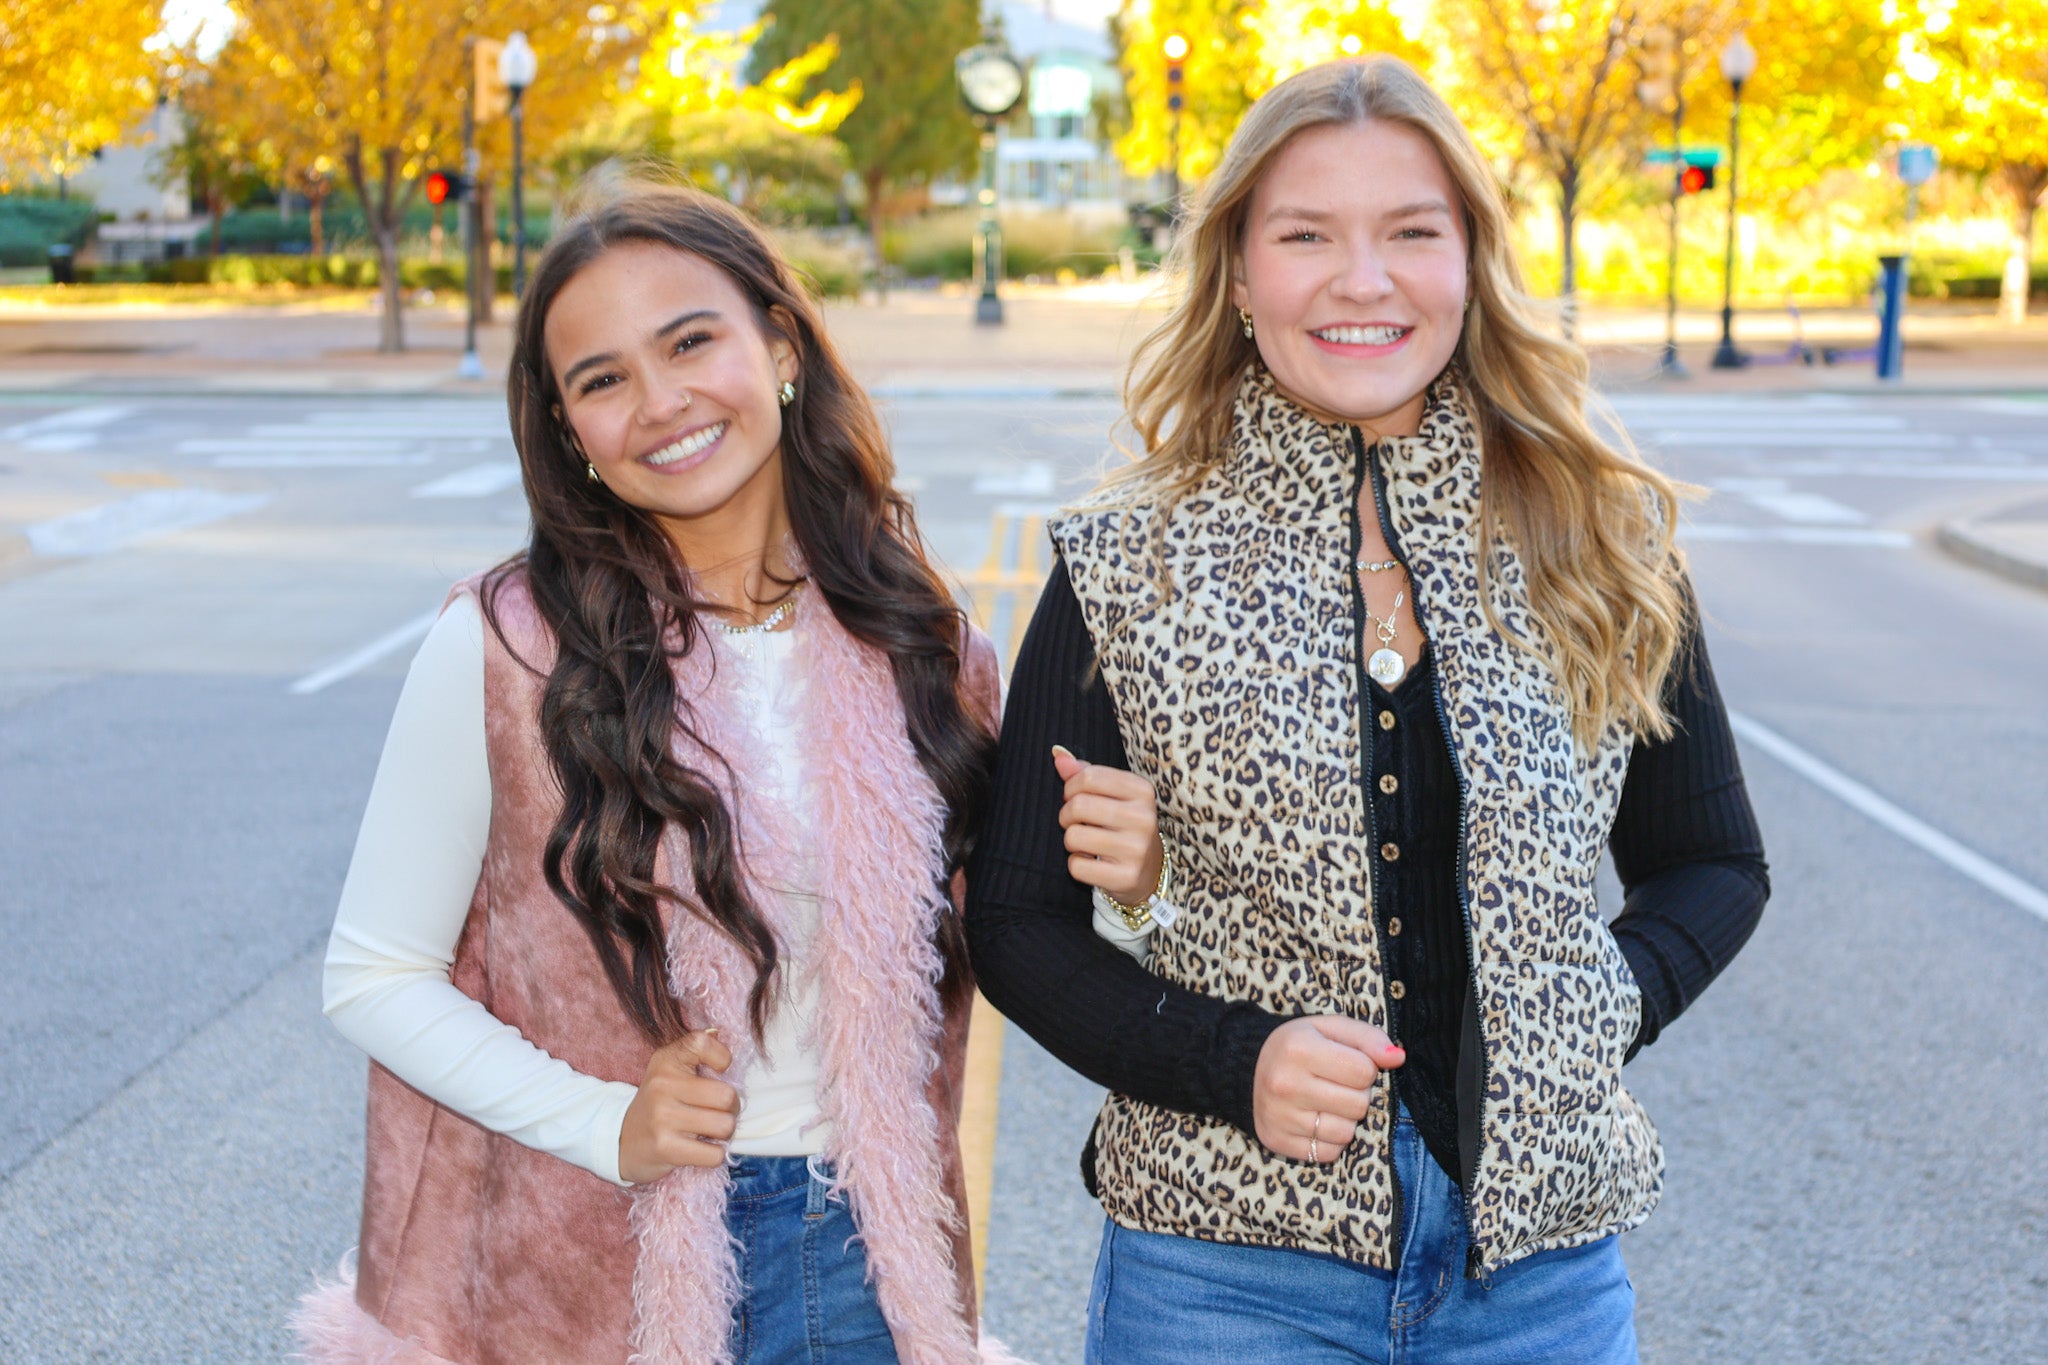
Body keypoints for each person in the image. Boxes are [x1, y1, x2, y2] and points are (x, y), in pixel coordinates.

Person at [966, 56, 1769, 1364]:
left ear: (1470, 261)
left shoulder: (1599, 541)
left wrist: (1591, 1010)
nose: (1362, 279)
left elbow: (1712, 862)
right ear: (1238, 275)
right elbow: (1014, 923)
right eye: (1305, 236)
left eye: (1409, 232)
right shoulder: (1129, 562)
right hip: (1222, 1277)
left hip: (1539, 1283)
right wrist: (1231, 1060)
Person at [293, 180, 1015, 1364]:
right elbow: (374, 975)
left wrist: (1137, 887)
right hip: (598, 1266)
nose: (661, 402)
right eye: (602, 379)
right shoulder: (507, 650)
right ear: (569, 432)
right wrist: (607, 1123)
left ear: (779, 346)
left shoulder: (927, 651)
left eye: (689, 342)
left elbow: (1014, 942)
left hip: (867, 1260)